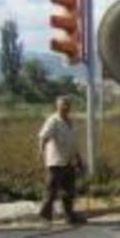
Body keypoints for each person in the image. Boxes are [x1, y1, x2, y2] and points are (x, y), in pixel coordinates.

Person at [38, 96, 87, 225]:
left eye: (67, 105)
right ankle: (45, 217)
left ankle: (69, 216)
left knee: (69, 191)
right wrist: (41, 152)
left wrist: (79, 160)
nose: (65, 108)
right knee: (51, 191)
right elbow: (43, 137)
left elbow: (73, 144)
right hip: (56, 162)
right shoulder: (53, 121)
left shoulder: (70, 122)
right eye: (62, 105)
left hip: (69, 161)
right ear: (57, 106)